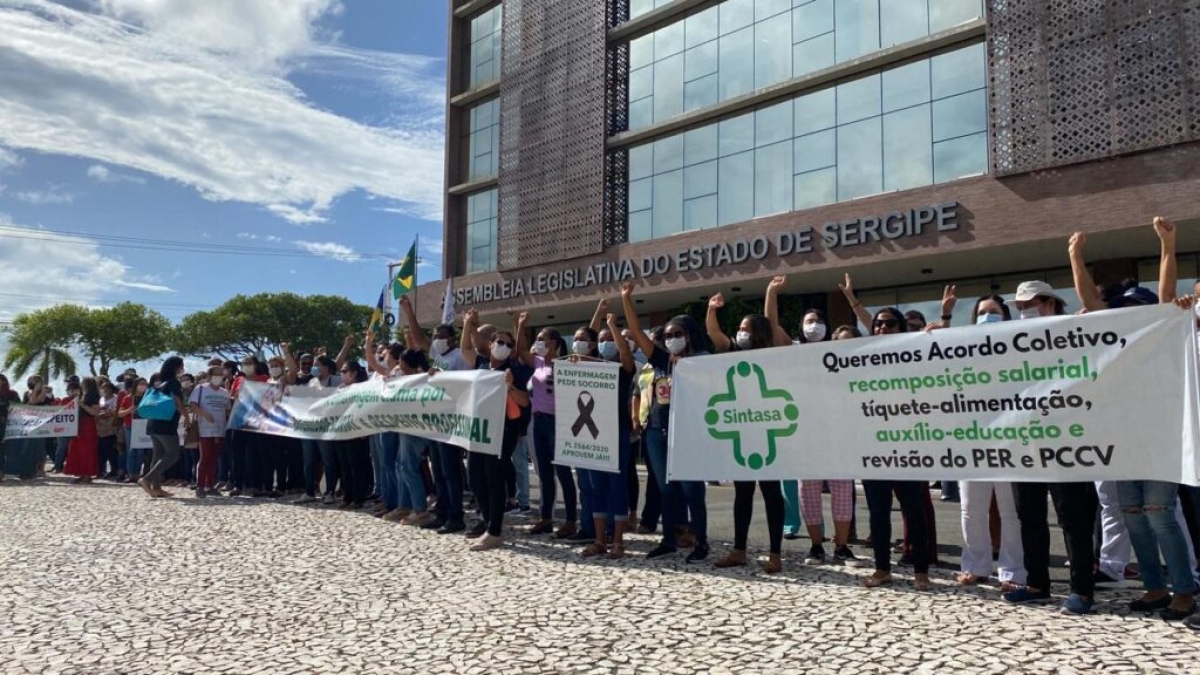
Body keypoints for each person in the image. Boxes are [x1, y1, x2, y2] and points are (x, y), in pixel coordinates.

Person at [1073, 221, 1197, 620]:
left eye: (1135, 309)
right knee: (1133, 517)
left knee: (1160, 513)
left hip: (1162, 437)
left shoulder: (1166, 338)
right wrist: (1075, 257)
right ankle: (1154, 587)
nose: (1127, 315)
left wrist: (1168, 245)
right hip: (1125, 439)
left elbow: (1164, 296)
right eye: (1123, 309)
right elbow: (1091, 305)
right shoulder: (1115, 345)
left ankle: (1183, 590)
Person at [1000, 279, 1102, 615]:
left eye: (1029, 304)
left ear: (1050, 303)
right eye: (1019, 306)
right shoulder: (1009, 342)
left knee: (1073, 518)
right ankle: (1037, 584)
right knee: (1029, 516)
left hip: (1067, 438)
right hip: (1024, 441)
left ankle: (1082, 590)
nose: (1023, 310)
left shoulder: (1075, 331)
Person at [763, 275, 863, 567]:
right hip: (805, 434)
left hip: (839, 433)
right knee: (808, 492)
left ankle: (841, 547)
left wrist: (852, 299)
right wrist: (771, 293)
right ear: (801, 327)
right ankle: (817, 546)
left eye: (818, 320)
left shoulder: (842, 355)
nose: (814, 324)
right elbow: (771, 326)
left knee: (843, 490)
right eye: (809, 320)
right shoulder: (793, 349)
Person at [622, 282, 710, 562]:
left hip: (688, 434)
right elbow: (637, 334)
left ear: (690, 336)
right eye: (669, 334)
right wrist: (626, 300)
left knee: (692, 490)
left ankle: (701, 542)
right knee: (665, 490)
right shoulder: (660, 360)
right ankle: (668, 540)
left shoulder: (702, 361)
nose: (672, 338)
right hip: (657, 434)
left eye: (678, 334)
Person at [945, 294, 1027, 588]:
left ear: (1005, 316)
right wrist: (940, 326)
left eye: (994, 311)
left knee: (1009, 511)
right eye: (982, 312)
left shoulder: (1017, 346)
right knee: (971, 509)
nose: (988, 316)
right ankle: (976, 565)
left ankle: (1013, 570)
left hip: (1008, 439)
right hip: (972, 439)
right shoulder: (964, 349)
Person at [706, 292, 787, 573]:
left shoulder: (773, 354)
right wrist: (712, 309)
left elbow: (773, 322)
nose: (740, 333)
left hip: (768, 434)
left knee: (772, 493)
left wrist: (770, 294)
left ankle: (776, 553)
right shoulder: (733, 354)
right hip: (743, 433)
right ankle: (739, 550)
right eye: (739, 329)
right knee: (742, 493)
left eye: (745, 329)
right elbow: (714, 334)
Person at [858, 307, 933, 591]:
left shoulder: (913, 357)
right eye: (878, 324)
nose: (883, 328)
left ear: (901, 327)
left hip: (908, 444)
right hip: (874, 445)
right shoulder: (862, 359)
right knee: (878, 512)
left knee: (914, 511)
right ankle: (881, 569)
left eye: (890, 324)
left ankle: (921, 571)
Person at [461, 309, 532, 551]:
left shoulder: (515, 370)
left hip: (504, 431)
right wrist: (468, 324)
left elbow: (524, 402)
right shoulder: (481, 364)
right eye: (498, 341)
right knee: (475, 477)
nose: (502, 346)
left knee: (494, 478)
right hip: (479, 428)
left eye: (507, 344)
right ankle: (488, 519)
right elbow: (466, 350)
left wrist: (511, 387)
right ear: (490, 344)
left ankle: (495, 530)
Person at [401, 294, 468, 535]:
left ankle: (456, 516)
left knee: (451, 471)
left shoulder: (459, 356)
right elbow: (419, 338)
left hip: (451, 416)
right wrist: (409, 313)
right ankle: (442, 513)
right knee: (438, 469)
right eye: (436, 336)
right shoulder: (437, 356)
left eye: (442, 336)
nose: (437, 340)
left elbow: (465, 381)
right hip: (436, 418)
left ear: (452, 339)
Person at [514, 314, 578, 537]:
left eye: (543, 340)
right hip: (538, 421)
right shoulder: (538, 363)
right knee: (544, 473)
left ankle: (571, 521)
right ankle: (546, 518)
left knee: (563, 472)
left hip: (558, 423)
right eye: (537, 339)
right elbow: (520, 350)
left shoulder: (567, 363)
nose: (538, 343)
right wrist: (521, 325)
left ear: (555, 343)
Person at [139, 358, 189, 499]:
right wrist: (187, 417)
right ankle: (147, 479)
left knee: (158, 455)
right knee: (173, 454)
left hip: (154, 422)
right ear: (176, 368)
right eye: (181, 367)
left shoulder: (161, 384)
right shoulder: (173, 383)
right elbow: (178, 401)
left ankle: (157, 487)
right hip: (166, 424)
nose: (182, 369)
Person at [334, 360, 373, 509]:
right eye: (341, 372)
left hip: (357, 432)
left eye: (344, 371)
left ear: (354, 373)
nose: (341, 374)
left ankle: (358, 498)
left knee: (356, 467)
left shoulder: (363, 388)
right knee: (345, 467)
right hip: (341, 431)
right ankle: (347, 496)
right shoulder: (341, 389)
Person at [191, 364, 231, 499]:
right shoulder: (201, 389)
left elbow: (227, 409)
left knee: (214, 458)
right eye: (216, 374)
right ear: (209, 376)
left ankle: (210, 485)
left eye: (221, 374)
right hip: (205, 428)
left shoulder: (224, 392)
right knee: (205, 457)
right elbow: (193, 405)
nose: (218, 377)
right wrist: (204, 414)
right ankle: (200, 485)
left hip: (220, 428)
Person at [64, 377, 102, 485]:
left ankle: (87, 474)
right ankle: (80, 473)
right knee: (78, 450)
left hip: (88, 425)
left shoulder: (93, 396)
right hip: (79, 425)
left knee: (87, 451)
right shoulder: (82, 395)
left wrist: (82, 405)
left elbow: (94, 412)